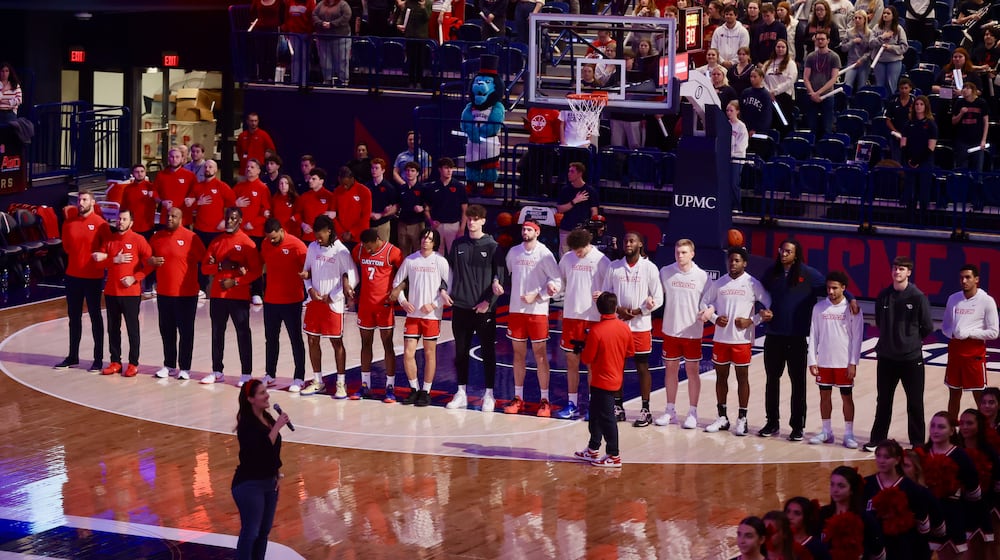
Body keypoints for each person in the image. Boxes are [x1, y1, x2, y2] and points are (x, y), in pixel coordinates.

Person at [758, 239, 856, 441]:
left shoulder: (809, 274)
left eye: (788, 251)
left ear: (796, 254)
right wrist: (760, 310)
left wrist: (852, 298)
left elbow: (833, 286)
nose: (784, 253)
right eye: (782, 250)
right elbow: (758, 293)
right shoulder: (771, 272)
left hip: (797, 338)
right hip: (774, 335)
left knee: (798, 383)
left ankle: (797, 426)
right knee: (771, 381)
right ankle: (772, 422)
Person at [864, 255, 933, 451]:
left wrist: (909, 340)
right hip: (886, 358)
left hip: (911, 359)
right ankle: (877, 439)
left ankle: (918, 442)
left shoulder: (918, 297)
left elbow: (927, 326)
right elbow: (879, 322)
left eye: (902, 269)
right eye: (895, 268)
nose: (897, 271)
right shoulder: (884, 295)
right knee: (883, 401)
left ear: (909, 272)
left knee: (915, 402)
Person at [701, 247, 772, 436]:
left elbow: (769, 306)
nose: (733, 263)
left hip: (742, 340)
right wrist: (715, 318)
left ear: (745, 263)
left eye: (737, 260)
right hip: (721, 339)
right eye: (730, 260)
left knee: (742, 378)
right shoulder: (719, 283)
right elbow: (703, 303)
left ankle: (742, 418)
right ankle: (722, 417)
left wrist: (752, 320)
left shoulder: (752, 284)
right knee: (721, 378)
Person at [500, 221, 561, 417]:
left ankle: (545, 400)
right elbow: (504, 273)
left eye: (529, 230)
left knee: (540, 355)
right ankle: (518, 397)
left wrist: (540, 294)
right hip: (517, 310)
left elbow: (556, 281)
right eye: (523, 229)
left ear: (537, 232)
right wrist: (496, 282)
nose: (525, 232)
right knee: (518, 355)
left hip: (537, 311)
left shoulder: (545, 254)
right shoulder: (514, 252)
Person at [445, 204, 503, 412]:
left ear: (483, 221)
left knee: (488, 352)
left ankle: (489, 394)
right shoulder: (458, 243)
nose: (471, 222)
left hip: (483, 309)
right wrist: (443, 289)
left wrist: (488, 302)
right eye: (469, 218)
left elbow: (500, 278)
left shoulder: (493, 246)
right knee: (460, 352)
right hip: (460, 307)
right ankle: (461, 392)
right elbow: (448, 271)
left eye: (476, 218)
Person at [603, 232, 663, 427]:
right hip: (618, 325)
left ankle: (645, 409)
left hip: (641, 326)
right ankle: (618, 407)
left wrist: (639, 310)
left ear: (640, 244)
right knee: (617, 366)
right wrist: (618, 309)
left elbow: (659, 298)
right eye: (625, 241)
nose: (627, 244)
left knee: (642, 366)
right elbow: (605, 294)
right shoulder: (614, 267)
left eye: (632, 241)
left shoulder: (650, 268)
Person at [200, 207, 264, 386]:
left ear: (240, 220)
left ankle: (246, 374)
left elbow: (256, 271)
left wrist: (236, 280)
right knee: (216, 333)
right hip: (218, 295)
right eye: (227, 217)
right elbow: (205, 267)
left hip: (238, 296)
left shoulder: (247, 243)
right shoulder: (217, 241)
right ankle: (217, 371)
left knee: (243, 333)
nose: (229, 221)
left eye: (233, 218)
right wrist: (220, 267)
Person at [573, 292, 635, 468]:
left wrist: (583, 348)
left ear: (598, 309)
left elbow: (587, 358)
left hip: (601, 380)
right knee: (596, 415)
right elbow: (630, 352)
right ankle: (593, 448)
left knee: (607, 418)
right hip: (615, 377)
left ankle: (614, 455)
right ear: (615, 308)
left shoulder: (596, 331)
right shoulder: (624, 328)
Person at [556, 228, 611, 420]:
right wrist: (554, 288)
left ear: (588, 244)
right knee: (571, 362)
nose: (577, 254)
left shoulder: (602, 260)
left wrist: (603, 295)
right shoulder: (567, 258)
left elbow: (611, 288)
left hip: (593, 318)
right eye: (574, 251)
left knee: (592, 365)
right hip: (571, 316)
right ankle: (571, 403)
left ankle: (592, 405)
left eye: (579, 250)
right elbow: (560, 282)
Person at [231, 378, 289, 560]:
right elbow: (261, 448)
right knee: (251, 532)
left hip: (269, 483)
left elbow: (273, 451)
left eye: (266, 391)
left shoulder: (268, 418)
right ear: (250, 399)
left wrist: (277, 472)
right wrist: (278, 427)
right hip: (249, 484)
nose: (267, 395)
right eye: (262, 393)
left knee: (263, 532)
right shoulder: (246, 425)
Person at [299, 215, 357, 397]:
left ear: (329, 231)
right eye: (316, 234)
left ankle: (341, 383)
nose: (318, 237)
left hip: (333, 304)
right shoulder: (312, 247)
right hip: (314, 302)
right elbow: (306, 272)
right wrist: (309, 290)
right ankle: (318, 380)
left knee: (336, 342)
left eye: (320, 234)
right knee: (312, 340)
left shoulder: (341, 251)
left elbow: (353, 277)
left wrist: (333, 296)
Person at [392, 229, 451, 407]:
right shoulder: (410, 259)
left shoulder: (440, 261)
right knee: (408, 353)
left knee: (429, 353)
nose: (426, 241)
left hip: (432, 315)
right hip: (412, 315)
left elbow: (450, 286)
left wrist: (433, 305)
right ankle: (414, 389)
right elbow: (397, 283)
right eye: (424, 237)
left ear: (435, 243)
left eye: (430, 239)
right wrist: (403, 301)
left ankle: (426, 391)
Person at [655, 239, 709, 430]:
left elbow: (710, 302)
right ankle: (670, 410)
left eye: (684, 252)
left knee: (692, 371)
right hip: (670, 330)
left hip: (693, 332)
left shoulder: (702, 276)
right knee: (670, 369)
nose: (680, 255)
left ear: (692, 254)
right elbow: (656, 294)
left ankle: (692, 412)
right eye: (678, 252)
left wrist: (709, 311)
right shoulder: (665, 272)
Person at [91, 209, 152, 378]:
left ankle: (133, 363)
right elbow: (97, 264)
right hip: (111, 292)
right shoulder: (110, 240)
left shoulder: (138, 240)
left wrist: (135, 278)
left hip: (131, 293)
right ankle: (115, 361)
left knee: (132, 329)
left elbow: (150, 263)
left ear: (131, 222)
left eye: (124, 219)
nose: (120, 222)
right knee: (113, 328)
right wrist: (114, 260)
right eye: (119, 219)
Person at [806, 271, 863, 448]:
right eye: (828, 288)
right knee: (824, 396)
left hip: (843, 362)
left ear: (844, 288)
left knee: (847, 397)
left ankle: (848, 434)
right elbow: (813, 334)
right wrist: (812, 360)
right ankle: (826, 431)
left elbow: (857, 337)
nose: (830, 291)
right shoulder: (819, 308)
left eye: (835, 288)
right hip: (824, 361)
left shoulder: (852, 309)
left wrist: (853, 362)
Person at [148, 207, 206, 381]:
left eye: (174, 216)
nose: (170, 218)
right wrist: (150, 261)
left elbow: (204, 260)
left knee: (186, 332)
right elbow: (148, 259)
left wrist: (200, 284)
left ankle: (185, 367)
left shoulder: (191, 238)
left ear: (181, 219)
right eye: (168, 215)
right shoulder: (157, 237)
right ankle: (169, 365)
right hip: (164, 292)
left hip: (186, 293)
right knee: (167, 330)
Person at [56, 192, 111, 371]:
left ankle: (98, 359)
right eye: (79, 200)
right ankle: (73, 356)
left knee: (95, 317)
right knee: (74, 318)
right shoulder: (69, 223)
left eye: (85, 199)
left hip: (93, 277)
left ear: (93, 203)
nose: (81, 202)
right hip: (73, 276)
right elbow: (66, 247)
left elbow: (107, 248)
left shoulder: (101, 224)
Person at [349, 228, 403, 401]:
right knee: (365, 344)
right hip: (365, 305)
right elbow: (347, 268)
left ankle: (390, 387)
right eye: (365, 247)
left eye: (370, 247)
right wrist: (348, 283)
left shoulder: (393, 252)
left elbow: (405, 276)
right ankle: (365, 385)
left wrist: (397, 290)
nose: (368, 250)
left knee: (387, 345)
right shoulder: (359, 250)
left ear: (377, 239)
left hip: (384, 306)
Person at [942, 264, 999, 420]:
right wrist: (953, 333)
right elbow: (945, 326)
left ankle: (986, 432)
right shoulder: (953, 299)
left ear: (976, 279)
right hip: (955, 353)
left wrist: (969, 334)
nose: (964, 281)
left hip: (974, 354)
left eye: (968, 277)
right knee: (953, 395)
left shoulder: (987, 301)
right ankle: (952, 433)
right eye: (961, 278)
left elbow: (994, 332)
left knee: (980, 397)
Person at [922, 411, 982, 556]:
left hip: (952, 515)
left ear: (951, 431)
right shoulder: (921, 453)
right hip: (925, 517)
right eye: (933, 426)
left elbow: (974, 491)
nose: (935, 431)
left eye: (941, 427)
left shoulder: (961, 456)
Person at [864, 440, 933, 560]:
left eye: (887, 457)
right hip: (873, 549)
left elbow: (923, 526)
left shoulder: (911, 488)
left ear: (897, 460)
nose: (881, 460)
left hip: (902, 548)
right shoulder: (865, 484)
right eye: (878, 456)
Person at [261, 217, 308, 391]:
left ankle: (299, 377)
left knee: (295, 339)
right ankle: (270, 374)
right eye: (268, 238)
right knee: (270, 340)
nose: (271, 241)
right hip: (271, 301)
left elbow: (309, 270)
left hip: (292, 301)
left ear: (281, 230)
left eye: (274, 237)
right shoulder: (265, 245)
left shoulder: (297, 246)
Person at [818, 466, 885, 559]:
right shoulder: (822, 514)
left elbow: (878, 553)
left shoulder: (864, 518)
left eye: (841, 486)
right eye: (832, 484)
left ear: (852, 490)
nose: (835, 490)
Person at [233, 159, 273, 304]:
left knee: (255, 263)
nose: (249, 169)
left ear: (258, 171)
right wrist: (235, 204)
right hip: (239, 232)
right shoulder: (239, 187)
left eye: (252, 167)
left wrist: (253, 223)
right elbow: (229, 205)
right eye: (248, 167)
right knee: (238, 261)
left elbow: (266, 211)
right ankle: (239, 288)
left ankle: (257, 292)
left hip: (255, 232)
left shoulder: (263, 188)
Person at [900, 95, 937, 218]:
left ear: (926, 107)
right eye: (917, 104)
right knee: (910, 189)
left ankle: (923, 217)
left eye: (921, 104)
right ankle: (909, 216)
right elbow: (903, 144)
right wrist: (910, 160)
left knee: (924, 191)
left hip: (925, 162)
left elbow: (931, 147)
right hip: (910, 161)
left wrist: (918, 161)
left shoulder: (931, 124)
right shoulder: (908, 124)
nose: (918, 107)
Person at [422, 157, 467, 255]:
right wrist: (431, 222)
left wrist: (462, 228)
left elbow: (465, 210)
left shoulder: (459, 187)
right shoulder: (432, 187)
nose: (449, 170)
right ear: (440, 169)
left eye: (451, 168)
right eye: (446, 168)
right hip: (437, 226)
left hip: (453, 225)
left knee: (454, 254)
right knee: (436, 253)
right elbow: (426, 208)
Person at [803, 30, 841, 137]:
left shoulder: (834, 57)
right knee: (812, 127)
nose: (820, 41)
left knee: (827, 127)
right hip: (812, 95)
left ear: (828, 41)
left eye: (822, 39)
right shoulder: (811, 56)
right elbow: (806, 77)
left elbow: (833, 79)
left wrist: (818, 93)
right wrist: (812, 93)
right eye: (818, 39)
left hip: (827, 95)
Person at [555, 162, 599, 254]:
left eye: (572, 172)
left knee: (581, 257)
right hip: (566, 229)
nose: (569, 174)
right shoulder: (565, 190)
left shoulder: (590, 191)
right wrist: (574, 201)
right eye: (568, 171)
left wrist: (589, 228)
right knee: (564, 257)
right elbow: (560, 209)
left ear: (580, 173)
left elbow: (594, 211)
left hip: (582, 231)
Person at [951, 83, 990, 173]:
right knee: (961, 171)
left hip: (977, 142)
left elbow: (986, 122)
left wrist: (983, 140)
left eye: (967, 88)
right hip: (962, 142)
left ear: (973, 90)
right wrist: (961, 113)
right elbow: (953, 121)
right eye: (963, 88)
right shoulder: (959, 103)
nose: (964, 90)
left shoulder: (981, 103)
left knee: (977, 171)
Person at [313, 0, 352, 86]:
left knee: (342, 60)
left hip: (341, 37)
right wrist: (321, 23)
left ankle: (343, 81)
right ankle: (327, 80)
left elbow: (346, 16)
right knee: (325, 61)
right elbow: (314, 15)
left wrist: (332, 24)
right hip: (323, 37)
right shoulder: (321, 4)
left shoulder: (343, 4)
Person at [293, 167, 336, 244]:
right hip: (308, 237)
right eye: (310, 178)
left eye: (313, 179)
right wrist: (303, 225)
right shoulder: (304, 197)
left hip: (325, 238)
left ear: (321, 181)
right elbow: (297, 214)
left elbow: (334, 215)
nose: (310, 181)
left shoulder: (330, 196)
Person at [763, 39, 797, 134]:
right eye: (778, 47)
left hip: (784, 97)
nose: (780, 49)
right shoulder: (768, 63)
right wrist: (768, 92)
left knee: (783, 123)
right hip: (769, 97)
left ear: (786, 49)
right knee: (771, 122)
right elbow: (761, 79)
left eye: (783, 47)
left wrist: (776, 91)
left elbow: (790, 80)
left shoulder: (791, 63)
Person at [331, 166, 371, 246]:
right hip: (341, 237)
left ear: (352, 179)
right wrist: (341, 232)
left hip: (359, 236)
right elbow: (332, 215)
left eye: (346, 184)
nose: (344, 187)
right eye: (342, 184)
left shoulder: (364, 191)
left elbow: (366, 216)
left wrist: (352, 232)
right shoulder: (336, 191)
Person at [871, 7, 907, 96]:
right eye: (884, 13)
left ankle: (890, 105)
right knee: (879, 86)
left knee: (891, 86)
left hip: (894, 61)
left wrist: (890, 47)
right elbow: (870, 44)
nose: (885, 15)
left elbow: (904, 47)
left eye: (888, 13)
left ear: (893, 16)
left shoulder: (898, 29)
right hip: (879, 61)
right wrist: (882, 37)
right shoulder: (876, 27)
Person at [396, 161, 427, 255]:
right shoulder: (401, 188)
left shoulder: (423, 188)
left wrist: (422, 208)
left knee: (418, 250)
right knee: (403, 250)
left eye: (412, 171)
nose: (409, 173)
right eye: (407, 170)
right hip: (402, 223)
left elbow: (430, 205)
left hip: (417, 223)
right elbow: (397, 205)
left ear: (417, 173)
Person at [840, 10, 874, 94]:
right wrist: (852, 42)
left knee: (861, 87)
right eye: (855, 18)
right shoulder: (849, 32)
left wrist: (862, 59)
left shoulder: (870, 33)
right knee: (847, 85)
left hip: (864, 63)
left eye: (860, 18)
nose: (857, 20)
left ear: (864, 20)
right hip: (852, 62)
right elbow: (843, 48)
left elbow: (871, 50)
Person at [366, 158, 398, 246]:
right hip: (369, 223)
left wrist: (381, 214)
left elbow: (395, 207)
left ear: (383, 170)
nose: (374, 170)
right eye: (372, 168)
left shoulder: (389, 187)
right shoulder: (367, 186)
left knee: (382, 247)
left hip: (383, 224)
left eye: (376, 168)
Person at [726, 100, 749, 214]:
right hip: (726, 159)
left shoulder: (741, 127)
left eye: (731, 110)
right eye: (727, 110)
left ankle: (737, 207)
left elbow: (742, 144)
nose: (729, 113)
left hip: (736, 159)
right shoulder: (726, 125)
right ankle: (727, 206)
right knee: (726, 183)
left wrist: (733, 152)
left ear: (737, 111)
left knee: (734, 183)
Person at [885, 77, 914, 162]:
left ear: (910, 88)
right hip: (896, 136)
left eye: (906, 88)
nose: (904, 90)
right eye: (902, 88)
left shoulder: (914, 102)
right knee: (896, 160)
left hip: (910, 136)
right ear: (899, 89)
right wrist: (896, 132)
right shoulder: (893, 102)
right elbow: (887, 120)